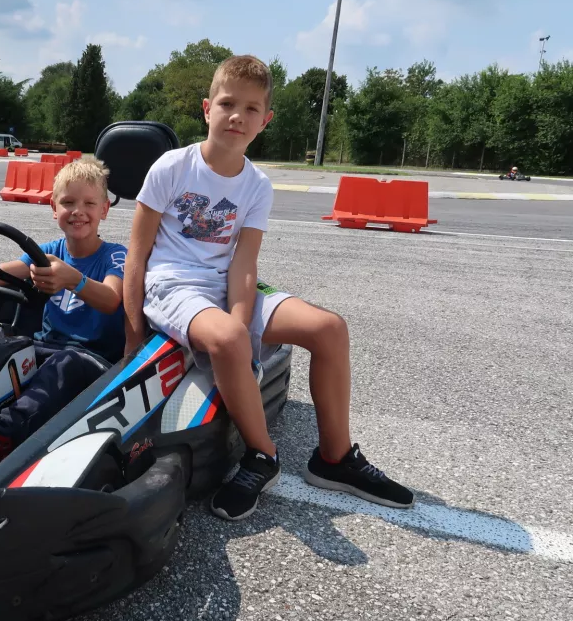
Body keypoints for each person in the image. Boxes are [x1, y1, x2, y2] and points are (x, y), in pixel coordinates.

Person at [122, 54, 415, 521]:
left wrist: (244, 332)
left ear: (266, 120)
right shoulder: (172, 167)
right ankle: (262, 455)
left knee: (330, 328)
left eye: (252, 108)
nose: (238, 116)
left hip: (226, 286)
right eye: (227, 103)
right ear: (207, 108)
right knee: (228, 337)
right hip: (173, 286)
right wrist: (132, 341)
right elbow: (136, 258)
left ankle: (335, 458)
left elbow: (243, 263)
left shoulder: (257, 185)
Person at [0, 156, 127, 481]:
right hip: (43, 349)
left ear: (104, 209)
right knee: (0, 343)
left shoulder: (114, 255)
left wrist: (73, 280)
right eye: (68, 202)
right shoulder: (47, 252)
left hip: (93, 362)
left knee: (65, 364)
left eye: (89, 203)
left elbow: (112, 298)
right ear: (53, 207)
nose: (78, 211)